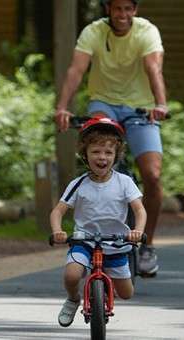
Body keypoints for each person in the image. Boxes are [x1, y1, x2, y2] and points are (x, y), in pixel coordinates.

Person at [54, 0, 168, 277]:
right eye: (118, 9)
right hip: (103, 104)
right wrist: (63, 106)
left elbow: (154, 68)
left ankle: (147, 244)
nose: (123, 15)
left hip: (142, 107)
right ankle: (95, 239)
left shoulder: (146, 31)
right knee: (100, 161)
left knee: (152, 175)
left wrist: (161, 104)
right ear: (109, 9)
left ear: (136, 10)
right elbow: (76, 70)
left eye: (128, 9)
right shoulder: (93, 32)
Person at [50, 115, 147, 327]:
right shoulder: (79, 184)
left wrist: (137, 231)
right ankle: (74, 299)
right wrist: (58, 231)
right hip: (84, 241)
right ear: (85, 154)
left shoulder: (124, 182)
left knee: (127, 293)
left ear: (116, 155)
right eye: (95, 151)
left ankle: (103, 290)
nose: (101, 157)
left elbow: (139, 210)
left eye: (108, 152)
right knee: (72, 274)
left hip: (116, 242)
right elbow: (58, 211)